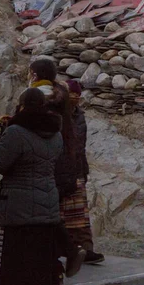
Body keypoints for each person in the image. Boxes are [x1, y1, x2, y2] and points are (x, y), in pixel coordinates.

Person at [0, 88, 64, 285]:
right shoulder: (56, 134)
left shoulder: (15, 133)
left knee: (16, 273)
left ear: (21, 107)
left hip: (20, 215)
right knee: (43, 272)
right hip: (47, 212)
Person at [28, 59, 86, 276]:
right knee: (51, 215)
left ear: (34, 75)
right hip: (64, 166)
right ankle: (63, 259)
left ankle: (61, 261)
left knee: (44, 218)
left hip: (47, 167)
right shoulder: (62, 100)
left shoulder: (37, 99)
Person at [61, 80, 104, 264]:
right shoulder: (57, 114)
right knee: (62, 216)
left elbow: (81, 145)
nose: (76, 98)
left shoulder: (80, 116)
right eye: (72, 94)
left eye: (78, 95)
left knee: (81, 217)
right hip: (60, 171)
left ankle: (87, 250)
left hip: (77, 169)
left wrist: (83, 170)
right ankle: (68, 251)